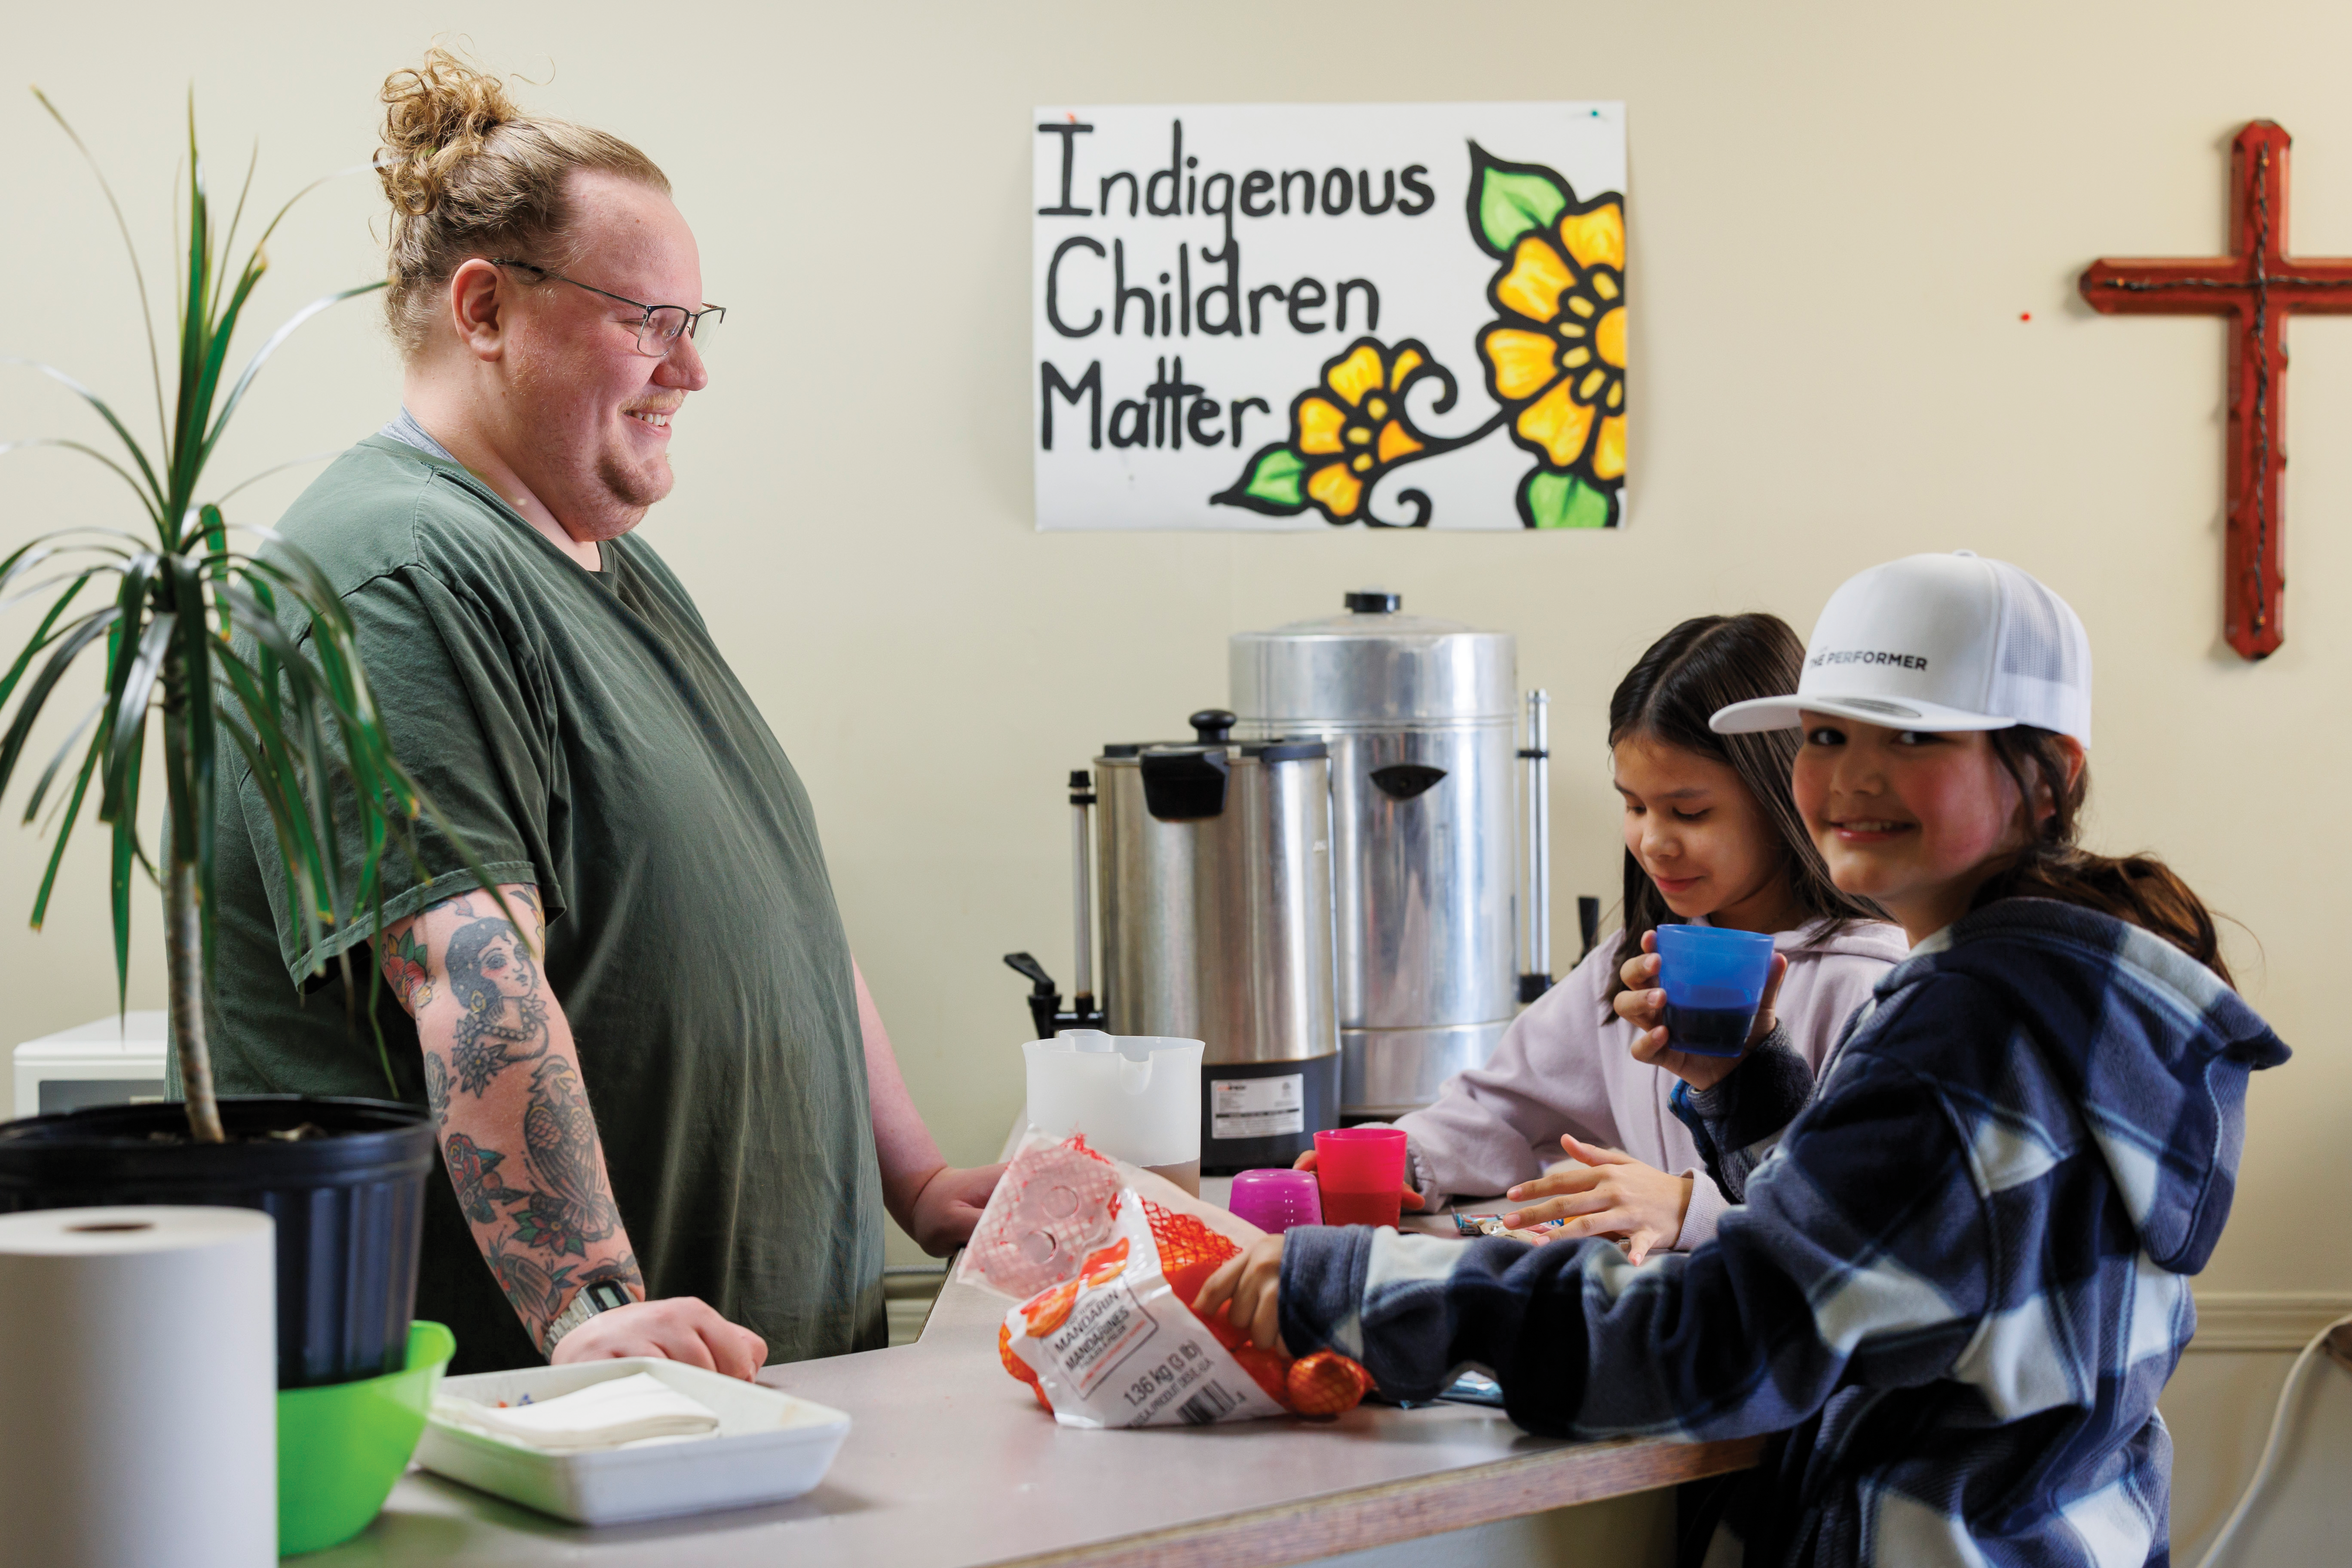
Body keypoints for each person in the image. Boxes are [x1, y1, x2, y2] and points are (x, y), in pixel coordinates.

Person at [1202, 552, 2287, 1567]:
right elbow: (1884, 1267)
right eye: (1826, 736)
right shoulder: (2068, 988)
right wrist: (1754, 1082)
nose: (1854, 778)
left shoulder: (1963, 1022)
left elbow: (1723, 1341)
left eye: (1912, 739)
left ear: (2047, 777)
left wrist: (1365, 1283)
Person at [198, 49, 999, 1377]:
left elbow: (775, 902)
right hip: (562, 1419)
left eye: (699, 324)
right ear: (486, 308)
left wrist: (914, 1180)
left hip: (742, 1394)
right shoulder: (392, 570)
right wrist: (585, 1305)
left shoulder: (602, 564)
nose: (690, 374)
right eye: (648, 321)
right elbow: (466, 972)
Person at [1296, 614, 1903, 1262]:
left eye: (1690, 812)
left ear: (1786, 792)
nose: (1653, 842)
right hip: (1655, 1320)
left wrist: (1686, 1210)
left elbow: (1854, 1239)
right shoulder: (1633, 965)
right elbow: (1500, 1108)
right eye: (1635, 806)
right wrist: (1407, 1163)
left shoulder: (1871, 983)